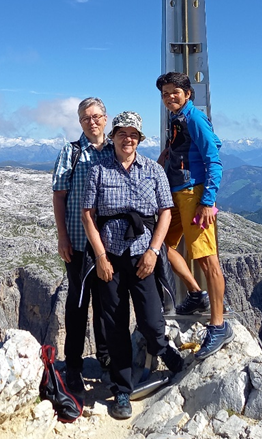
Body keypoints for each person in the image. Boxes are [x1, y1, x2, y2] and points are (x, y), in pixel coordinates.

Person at [81, 111, 183, 420]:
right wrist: (100, 256)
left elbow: (166, 211)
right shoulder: (98, 171)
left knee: (152, 319)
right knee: (115, 325)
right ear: (112, 136)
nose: (128, 139)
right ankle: (121, 390)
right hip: (110, 257)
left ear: (140, 138)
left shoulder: (153, 170)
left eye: (133, 134)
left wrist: (153, 251)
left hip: (143, 256)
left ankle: (163, 349)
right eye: (122, 133)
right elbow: (89, 214)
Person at [156, 71, 233, 361]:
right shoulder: (178, 120)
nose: (169, 97)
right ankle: (195, 292)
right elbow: (190, 147)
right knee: (162, 244)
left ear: (188, 93)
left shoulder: (194, 118)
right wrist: (167, 154)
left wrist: (207, 201)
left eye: (175, 92)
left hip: (193, 194)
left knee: (206, 258)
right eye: (165, 93)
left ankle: (218, 325)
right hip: (176, 192)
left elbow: (215, 158)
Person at [52, 97, 113, 393]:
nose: (92, 121)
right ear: (80, 123)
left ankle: (106, 359)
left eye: (97, 116)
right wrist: (62, 236)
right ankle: (73, 366)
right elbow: (59, 196)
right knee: (77, 306)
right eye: (86, 117)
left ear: (106, 118)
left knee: (107, 304)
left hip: (110, 246)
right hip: (77, 242)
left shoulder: (116, 150)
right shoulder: (71, 153)